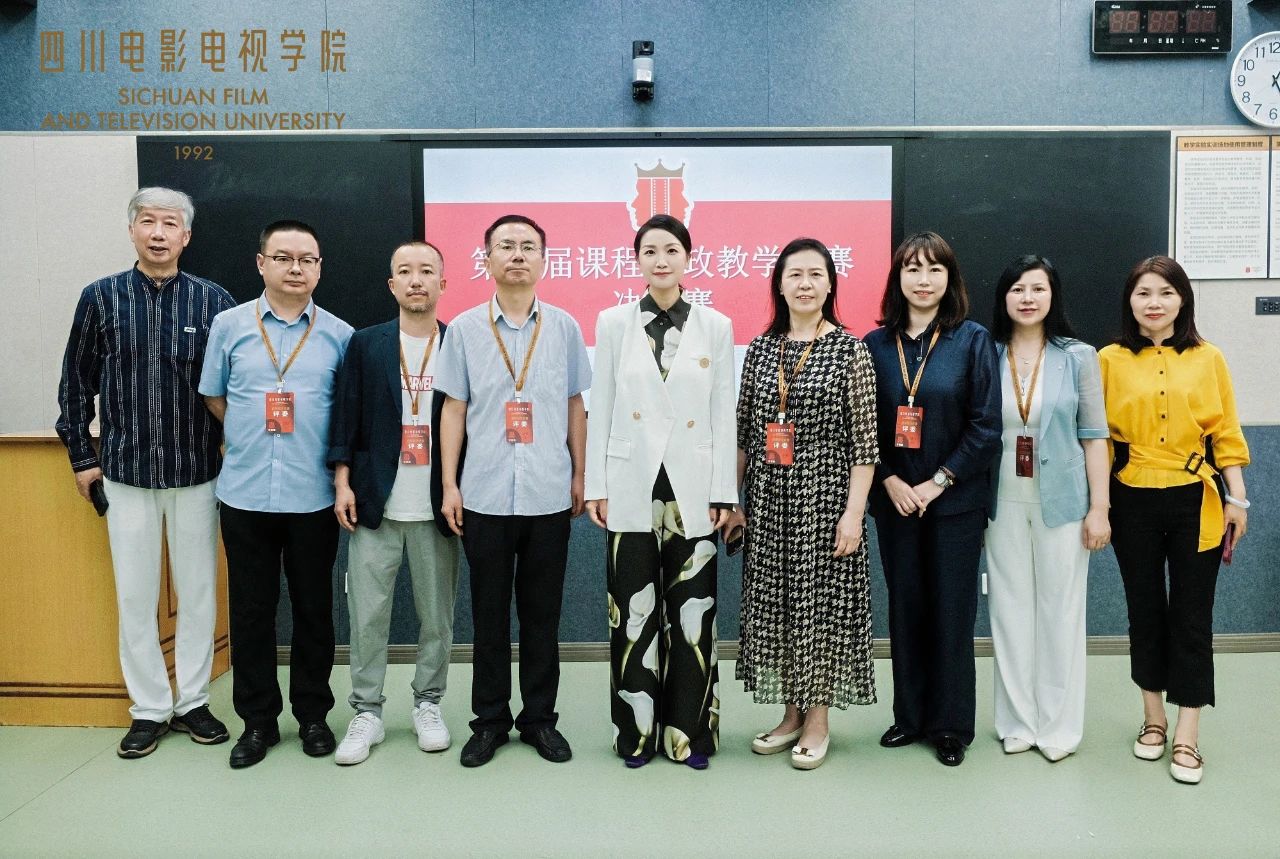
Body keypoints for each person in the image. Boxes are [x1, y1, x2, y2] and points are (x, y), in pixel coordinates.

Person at [56, 187, 235, 759]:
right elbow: (75, 383)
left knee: (199, 593)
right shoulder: (100, 298)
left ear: (187, 235)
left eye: (171, 223)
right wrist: (83, 459)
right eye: (148, 222)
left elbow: (235, 385)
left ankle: (193, 701)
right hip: (125, 472)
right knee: (135, 595)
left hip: (197, 471)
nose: (159, 233)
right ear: (132, 230)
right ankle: (150, 708)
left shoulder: (214, 301)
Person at [435, 214, 591, 768]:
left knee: (542, 618)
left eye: (528, 246)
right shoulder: (464, 329)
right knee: (489, 617)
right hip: (484, 495)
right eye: (506, 246)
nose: (518, 254)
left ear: (544, 260)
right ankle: (490, 722)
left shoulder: (565, 327)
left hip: (548, 494)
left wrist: (580, 475)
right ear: (487, 260)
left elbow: (574, 403)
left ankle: (540, 720)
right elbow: (453, 409)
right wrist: (449, 483)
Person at [584, 214, 736, 770]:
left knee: (693, 614)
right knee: (631, 614)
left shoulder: (715, 326)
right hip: (631, 483)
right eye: (650, 250)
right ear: (637, 260)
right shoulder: (613, 323)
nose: (661, 259)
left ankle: (689, 734)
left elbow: (723, 413)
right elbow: (601, 404)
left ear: (688, 258)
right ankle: (636, 734)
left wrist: (725, 492)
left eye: (671, 249)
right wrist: (596, 485)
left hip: (693, 486)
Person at [199, 220, 353, 768]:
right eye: (283, 257)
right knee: (251, 613)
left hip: (313, 496)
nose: (296, 268)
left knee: (314, 611)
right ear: (261, 263)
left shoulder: (340, 334)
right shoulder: (229, 325)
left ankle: (313, 716)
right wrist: (247, 434)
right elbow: (215, 397)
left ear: (319, 269)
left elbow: (346, 415)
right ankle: (258, 722)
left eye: (307, 260)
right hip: (245, 495)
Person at [1099, 255, 1249, 785]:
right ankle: (1153, 718)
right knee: (1144, 611)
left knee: (1192, 615)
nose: (1154, 303)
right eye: (1143, 292)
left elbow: (1226, 433)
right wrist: (1099, 504)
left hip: (1196, 499)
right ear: (1130, 300)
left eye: (1165, 292)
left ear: (1182, 299)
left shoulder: (1209, 358)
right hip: (1131, 497)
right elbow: (1097, 438)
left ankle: (1188, 729)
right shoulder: (1109, 359)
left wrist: (1238, 499)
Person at [733, 238, 879, 771]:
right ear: (779, 283)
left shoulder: (849, 350)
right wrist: (734, 501)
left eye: (816, 274)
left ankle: (818, 721)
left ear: (830, 284)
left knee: (819, 610)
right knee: (778, 608)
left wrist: (853, 514)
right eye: (795, 274)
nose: (805, 284)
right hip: (769, 504)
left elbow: (865, 445)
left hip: (825, 502)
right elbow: (744, 434)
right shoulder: (761, 350)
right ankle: (791, 714)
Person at [863, 231, 1001, 767]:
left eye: (934, 269)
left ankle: (950, 725)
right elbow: (860, 427)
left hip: (955, 504)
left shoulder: (972, 340)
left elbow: (986, 427)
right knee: (906, 607)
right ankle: (910, 716)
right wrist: (889, 480)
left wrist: (937, 482)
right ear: (897, 278)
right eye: (913, 269)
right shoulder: (875, 345)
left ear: (950, 278)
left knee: (952, 611)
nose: (923, 280)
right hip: (895, 502)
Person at [326, 241, 461, 765]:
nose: (416, 280)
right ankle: (367, 712)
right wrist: (342, 482)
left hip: (437, 505)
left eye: (426, 271)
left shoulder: (459, 342)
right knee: (367, 617)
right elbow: (347, 416)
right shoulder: (366, 344)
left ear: (443, 283)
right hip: (375, 503)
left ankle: (428, 703)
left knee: (437, 619)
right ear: (392, 284)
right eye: (405, 271)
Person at [985, 255, 1110, 763]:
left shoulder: (1078, 356)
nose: (1027, 298)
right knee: (1009, 610)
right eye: (1017, 288)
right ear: (1004, 297)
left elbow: (1095, 437)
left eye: (1037, 288)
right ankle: (1017, 721)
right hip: (1001, 499)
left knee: (1060, 611)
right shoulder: (987, 352)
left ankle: (1058, 727)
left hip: (1063, 500)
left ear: (1052, 295)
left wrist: (1099, 508)